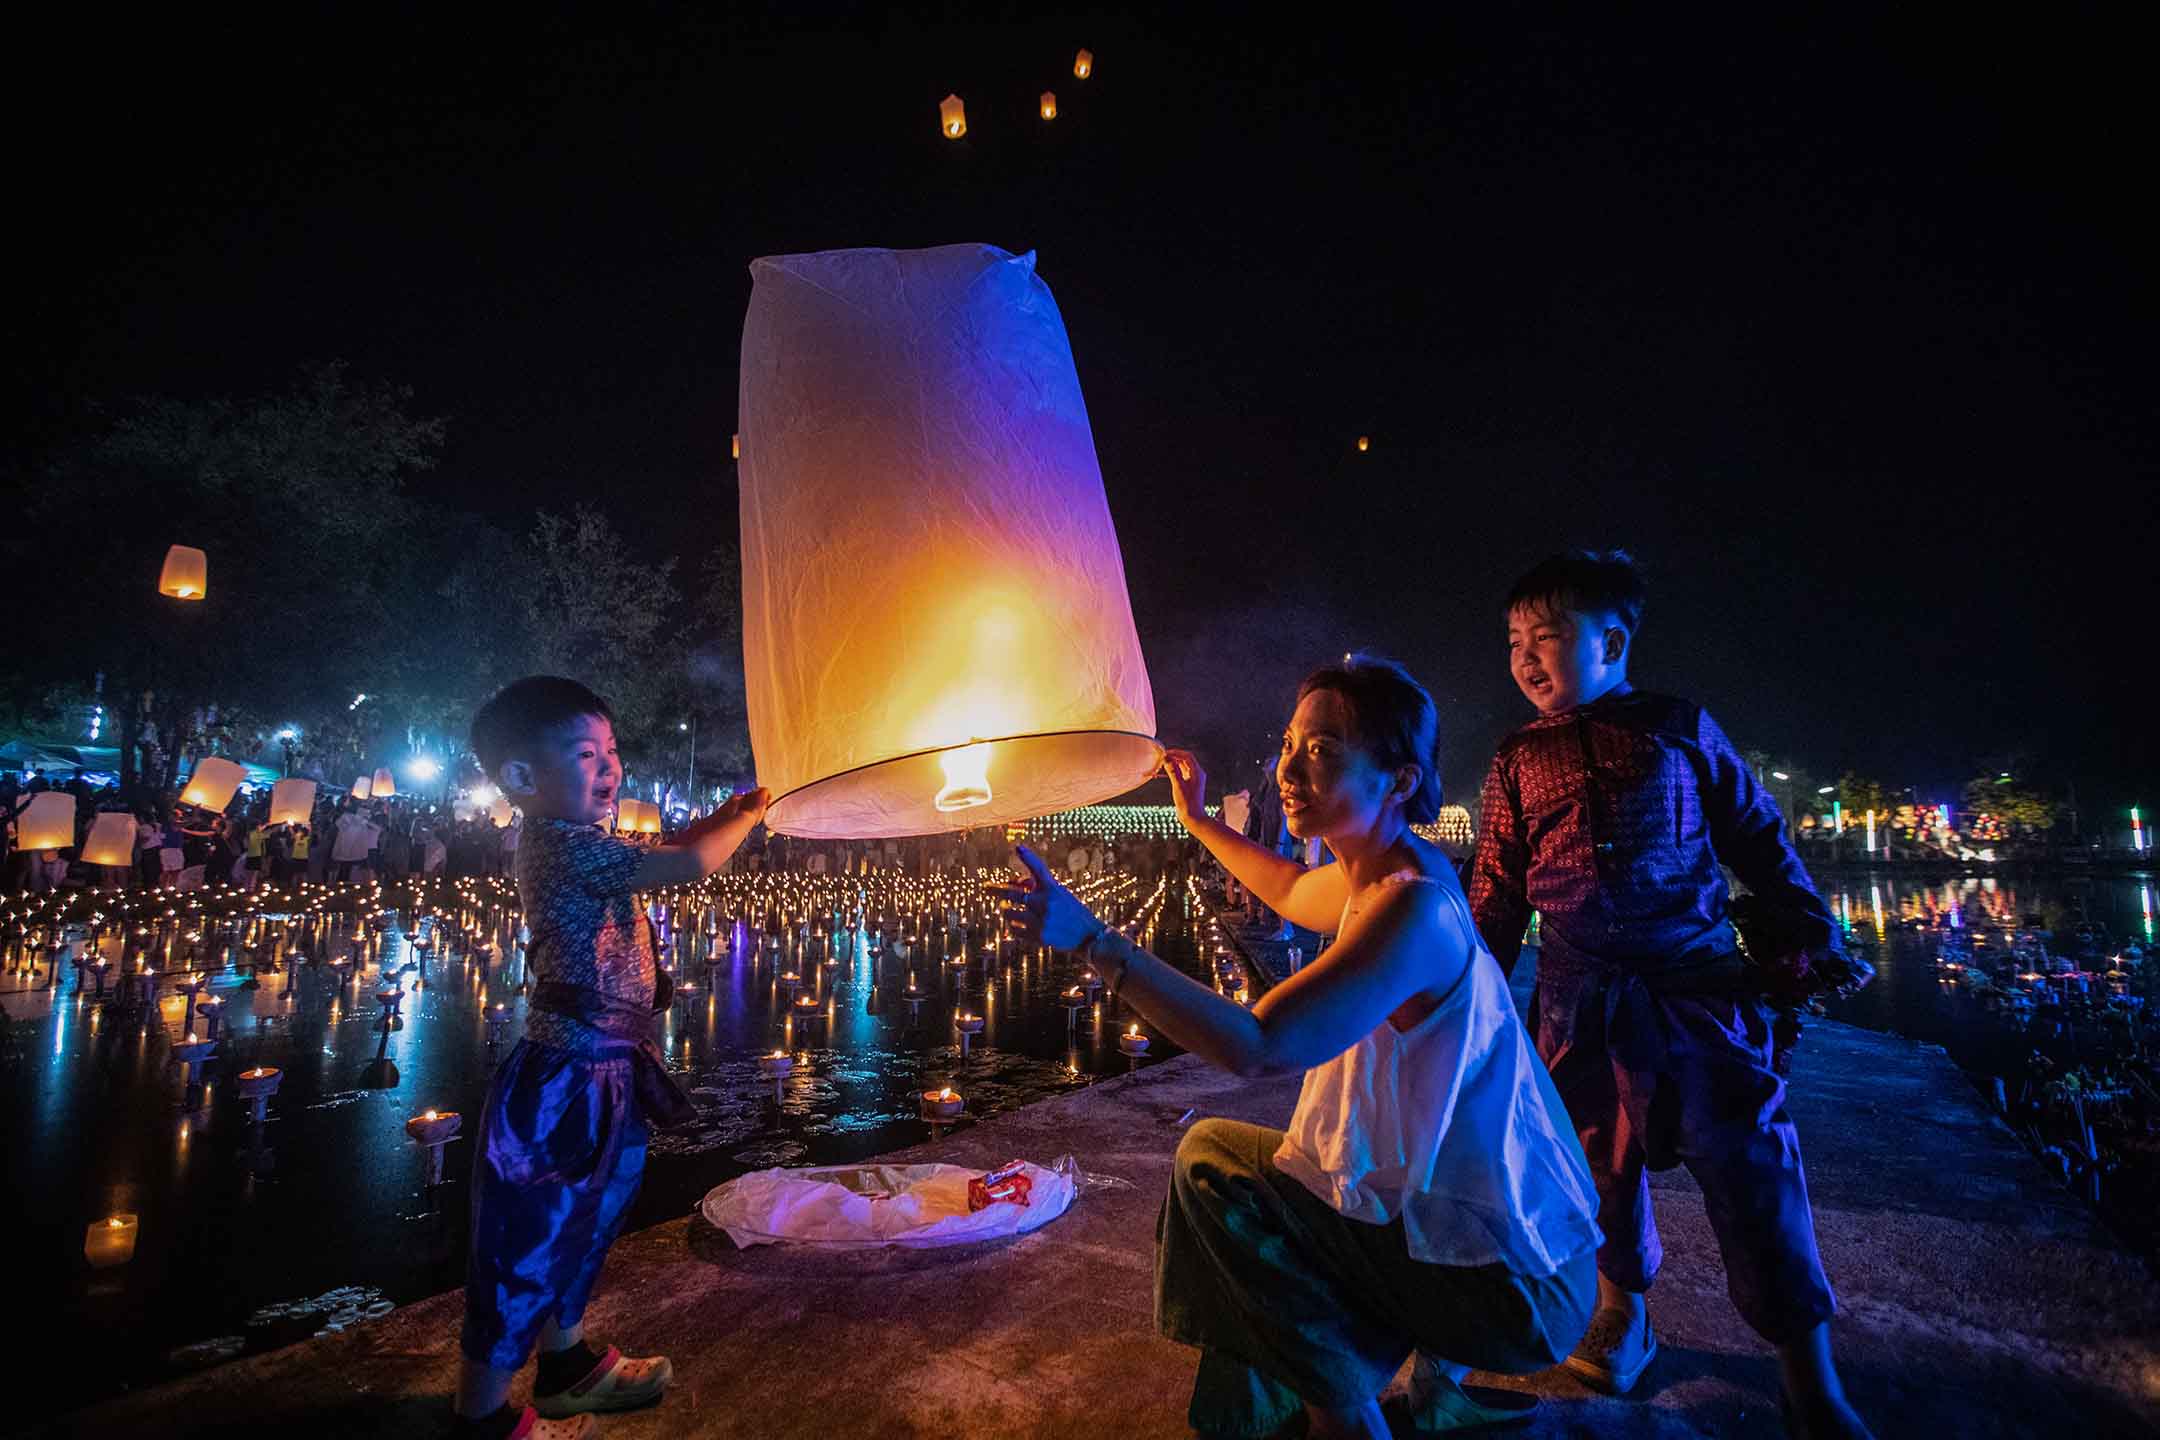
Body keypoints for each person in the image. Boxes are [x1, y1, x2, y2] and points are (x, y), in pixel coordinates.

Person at [995, 655, 1600, 1440]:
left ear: (1400, 779)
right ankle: (1338, 1390)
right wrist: (1196, 821)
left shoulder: (1410, 911)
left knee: (1215, 1167)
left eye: (1322, 748)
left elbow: (1258, 1045)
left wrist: (1095, 941)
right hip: (1498, 1251)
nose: (1288, 767)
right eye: (1289, 744)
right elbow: (1286, 888)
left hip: (1511, 1285)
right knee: (1287, 1178)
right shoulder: (1388, 874)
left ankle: (1340, 1418)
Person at [1468, 551, 1872, 1439]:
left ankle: (1811, 1378)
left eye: (1548, 637)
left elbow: (1757, 835)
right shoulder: (1512, 761)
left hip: (1701, 997)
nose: (1527, 658)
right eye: (1513, 643)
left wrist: (1811, 929)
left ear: (1612, 640)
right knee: (1594, 1172)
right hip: (1578, 1008)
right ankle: (1624, 1313)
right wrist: (1469, 987)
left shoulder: (1681, 730)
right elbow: (1495, 890)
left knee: (1754, 1173)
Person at [456, 676, 770, 1440]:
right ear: (523, 779)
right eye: (586, 753)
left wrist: (718, 816)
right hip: (564, 1081)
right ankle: (482, 1416)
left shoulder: (588, 843)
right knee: (528, 1241)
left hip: (611, 1067)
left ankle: (565, 1367)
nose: (611, 768)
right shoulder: (557, 844)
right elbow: (690, 865)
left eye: (613, 750)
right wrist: (749, 820)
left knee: (587, 1224)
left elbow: (667, 847)